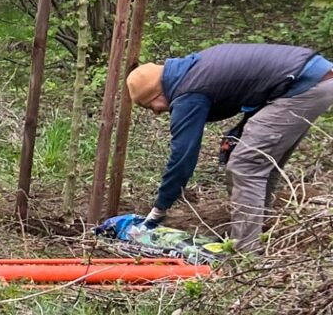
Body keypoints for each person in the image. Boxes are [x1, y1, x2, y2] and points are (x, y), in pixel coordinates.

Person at [125, 43, 331, 253]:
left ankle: (245, 253)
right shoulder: (192, 71)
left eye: (149, 105)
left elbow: (183, 157)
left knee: (245, 166)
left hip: (302, 87)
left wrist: (160, 207)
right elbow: (257, 87)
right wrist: (239, 132)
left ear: (157, 93)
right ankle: (259, 232)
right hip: (315, 77)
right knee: (262, 163)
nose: (156, 112)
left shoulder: (187, 92)